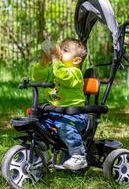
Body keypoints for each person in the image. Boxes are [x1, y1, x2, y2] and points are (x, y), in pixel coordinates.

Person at [31, 38, 88, 170]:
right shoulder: (56, 69)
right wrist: (44, 63)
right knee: (38, 125)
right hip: (57, 113)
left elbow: (62, 76)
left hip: (75, 115)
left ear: (76, 60)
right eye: (60, 49)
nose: (60, 52)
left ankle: (79, 156)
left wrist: (56, 59)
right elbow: (38, 77)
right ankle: (42, 152)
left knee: (64, 125)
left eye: (65, 50)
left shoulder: (75, 73)